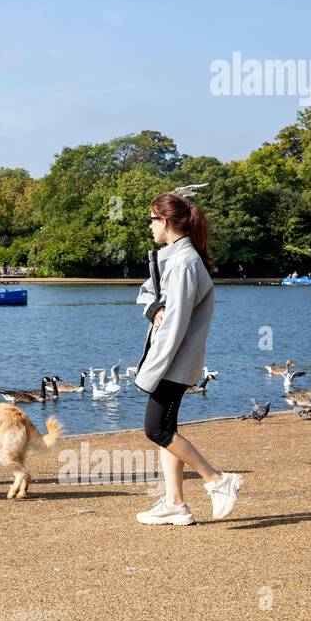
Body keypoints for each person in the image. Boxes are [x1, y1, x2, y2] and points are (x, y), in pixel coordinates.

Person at [133, 192, 241, 526]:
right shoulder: (174, 257)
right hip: (175, 360)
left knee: (156, 429)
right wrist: (154, 309)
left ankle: (216, 479)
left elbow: (176, 325)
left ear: (164, 221)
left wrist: (149, 373)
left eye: (151, 220)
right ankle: (176, 504)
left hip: (173, 362)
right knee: (168, 428)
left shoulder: (183, 263)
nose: (149, 226)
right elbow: (146, 294)